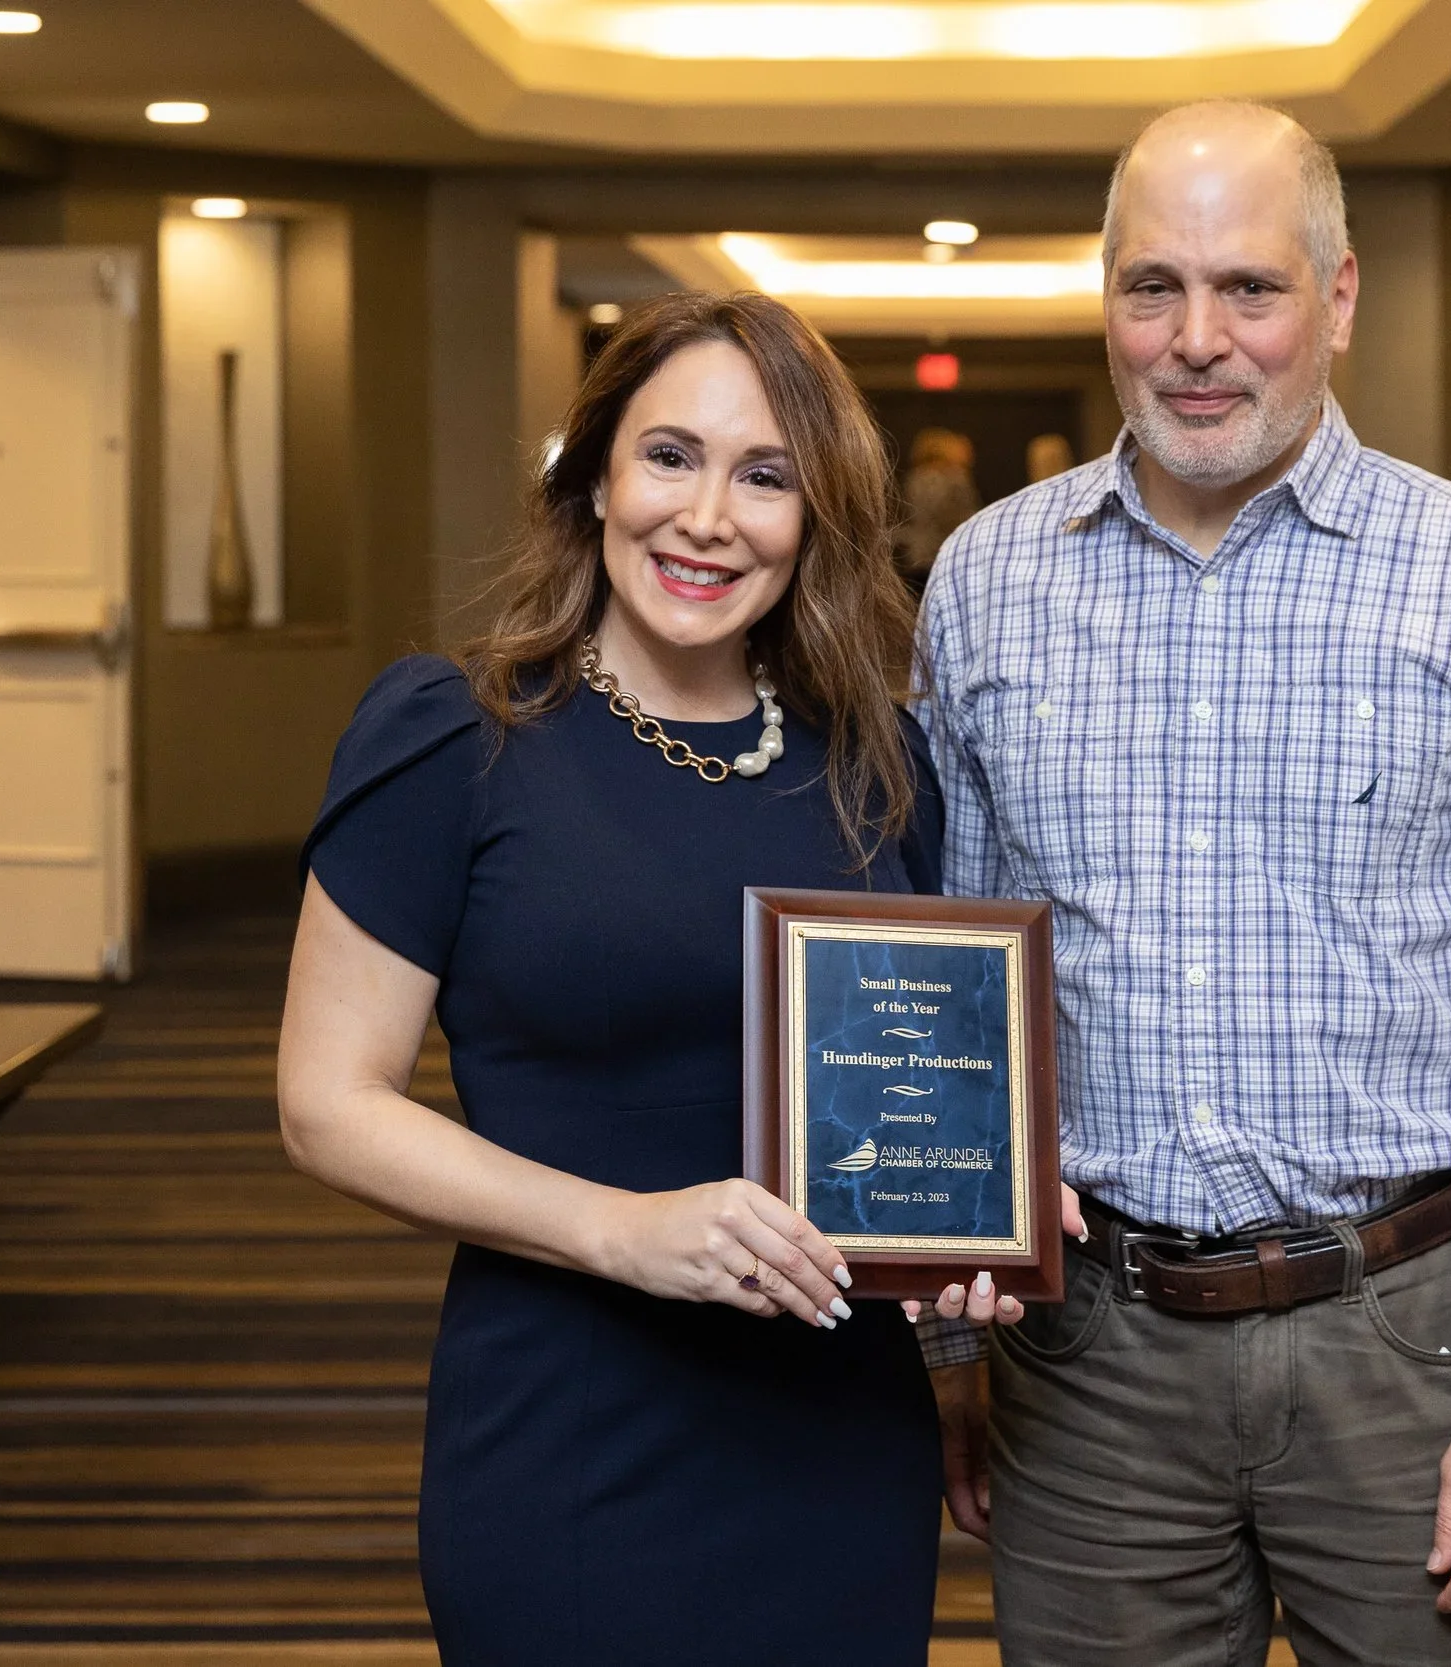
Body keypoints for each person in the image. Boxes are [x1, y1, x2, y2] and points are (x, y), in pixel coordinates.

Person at [912, 101, 1451, 1665]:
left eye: (1250, 288)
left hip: (1416, 1341)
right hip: (1089, 1358)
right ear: (1106, 298)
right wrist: (943, 1337)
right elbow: (951, 988)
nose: (1199, 341)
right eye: (1153, 287)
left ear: (1336, 297)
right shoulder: (983, 580)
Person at [278, 292, 948, 1665]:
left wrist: (967, 1269)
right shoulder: (456, 735)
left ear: (814, 519)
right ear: (590, 479)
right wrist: (625, 1230)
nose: (708, 516)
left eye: (765, 477)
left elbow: (912, 1100)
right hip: (575, 1427)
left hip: (838, 1437)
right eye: (670, 457)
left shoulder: (880, 768)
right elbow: (325, 1103)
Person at [895, 426, 981, 595]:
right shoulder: (956, 478)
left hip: (918, 556)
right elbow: (964, 519)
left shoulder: (917, 477)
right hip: (950, 553)